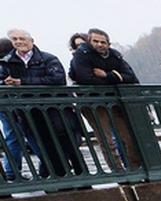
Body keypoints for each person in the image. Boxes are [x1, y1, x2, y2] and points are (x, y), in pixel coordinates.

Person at [3, 29, 86, 178]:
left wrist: (22, 83)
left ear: (31, 41)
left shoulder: (48, 58)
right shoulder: (7, 63)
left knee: (68, 144)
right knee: (46, 146)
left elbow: (57, 79)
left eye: (22, 38)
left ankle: (82, 175)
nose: (18, 42)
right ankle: (60, 177)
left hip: (55, 110)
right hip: (28, 111)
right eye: (15, 39)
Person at [69, 28, 141, 170]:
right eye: (95, 41)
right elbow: (85, 78)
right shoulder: (81, 55)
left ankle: (135, 169)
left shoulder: (115, 55)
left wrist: (107, 76)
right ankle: (118, 171)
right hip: (93, 102)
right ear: (89, 41)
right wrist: (116, 79)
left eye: (103, 42)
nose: (100, 44)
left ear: (108, 43)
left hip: (115, 101)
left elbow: (130, 77)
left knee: (130, 137)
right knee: (107, 141)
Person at [0, 37, 29, 182]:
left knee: (13, 137)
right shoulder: (9, 62)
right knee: (18, 136)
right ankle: (12, 171)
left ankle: (11, 172)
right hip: (12, 104)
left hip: (6, 104)